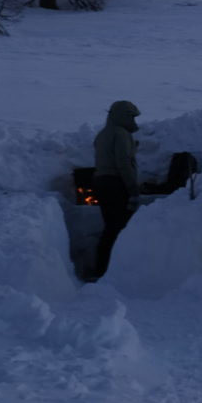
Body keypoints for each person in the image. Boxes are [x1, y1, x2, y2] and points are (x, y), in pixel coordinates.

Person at [87, 99, 140, 281]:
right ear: (123, 116)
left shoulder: (103, 134)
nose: (133, 121)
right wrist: (133, 188)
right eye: (131, 117)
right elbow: (123, 163)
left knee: (111, 227)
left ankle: (101, 268)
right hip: (116, 184)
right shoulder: (121, 133)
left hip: (102, 183)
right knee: (119, 229)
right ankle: (109, 271)